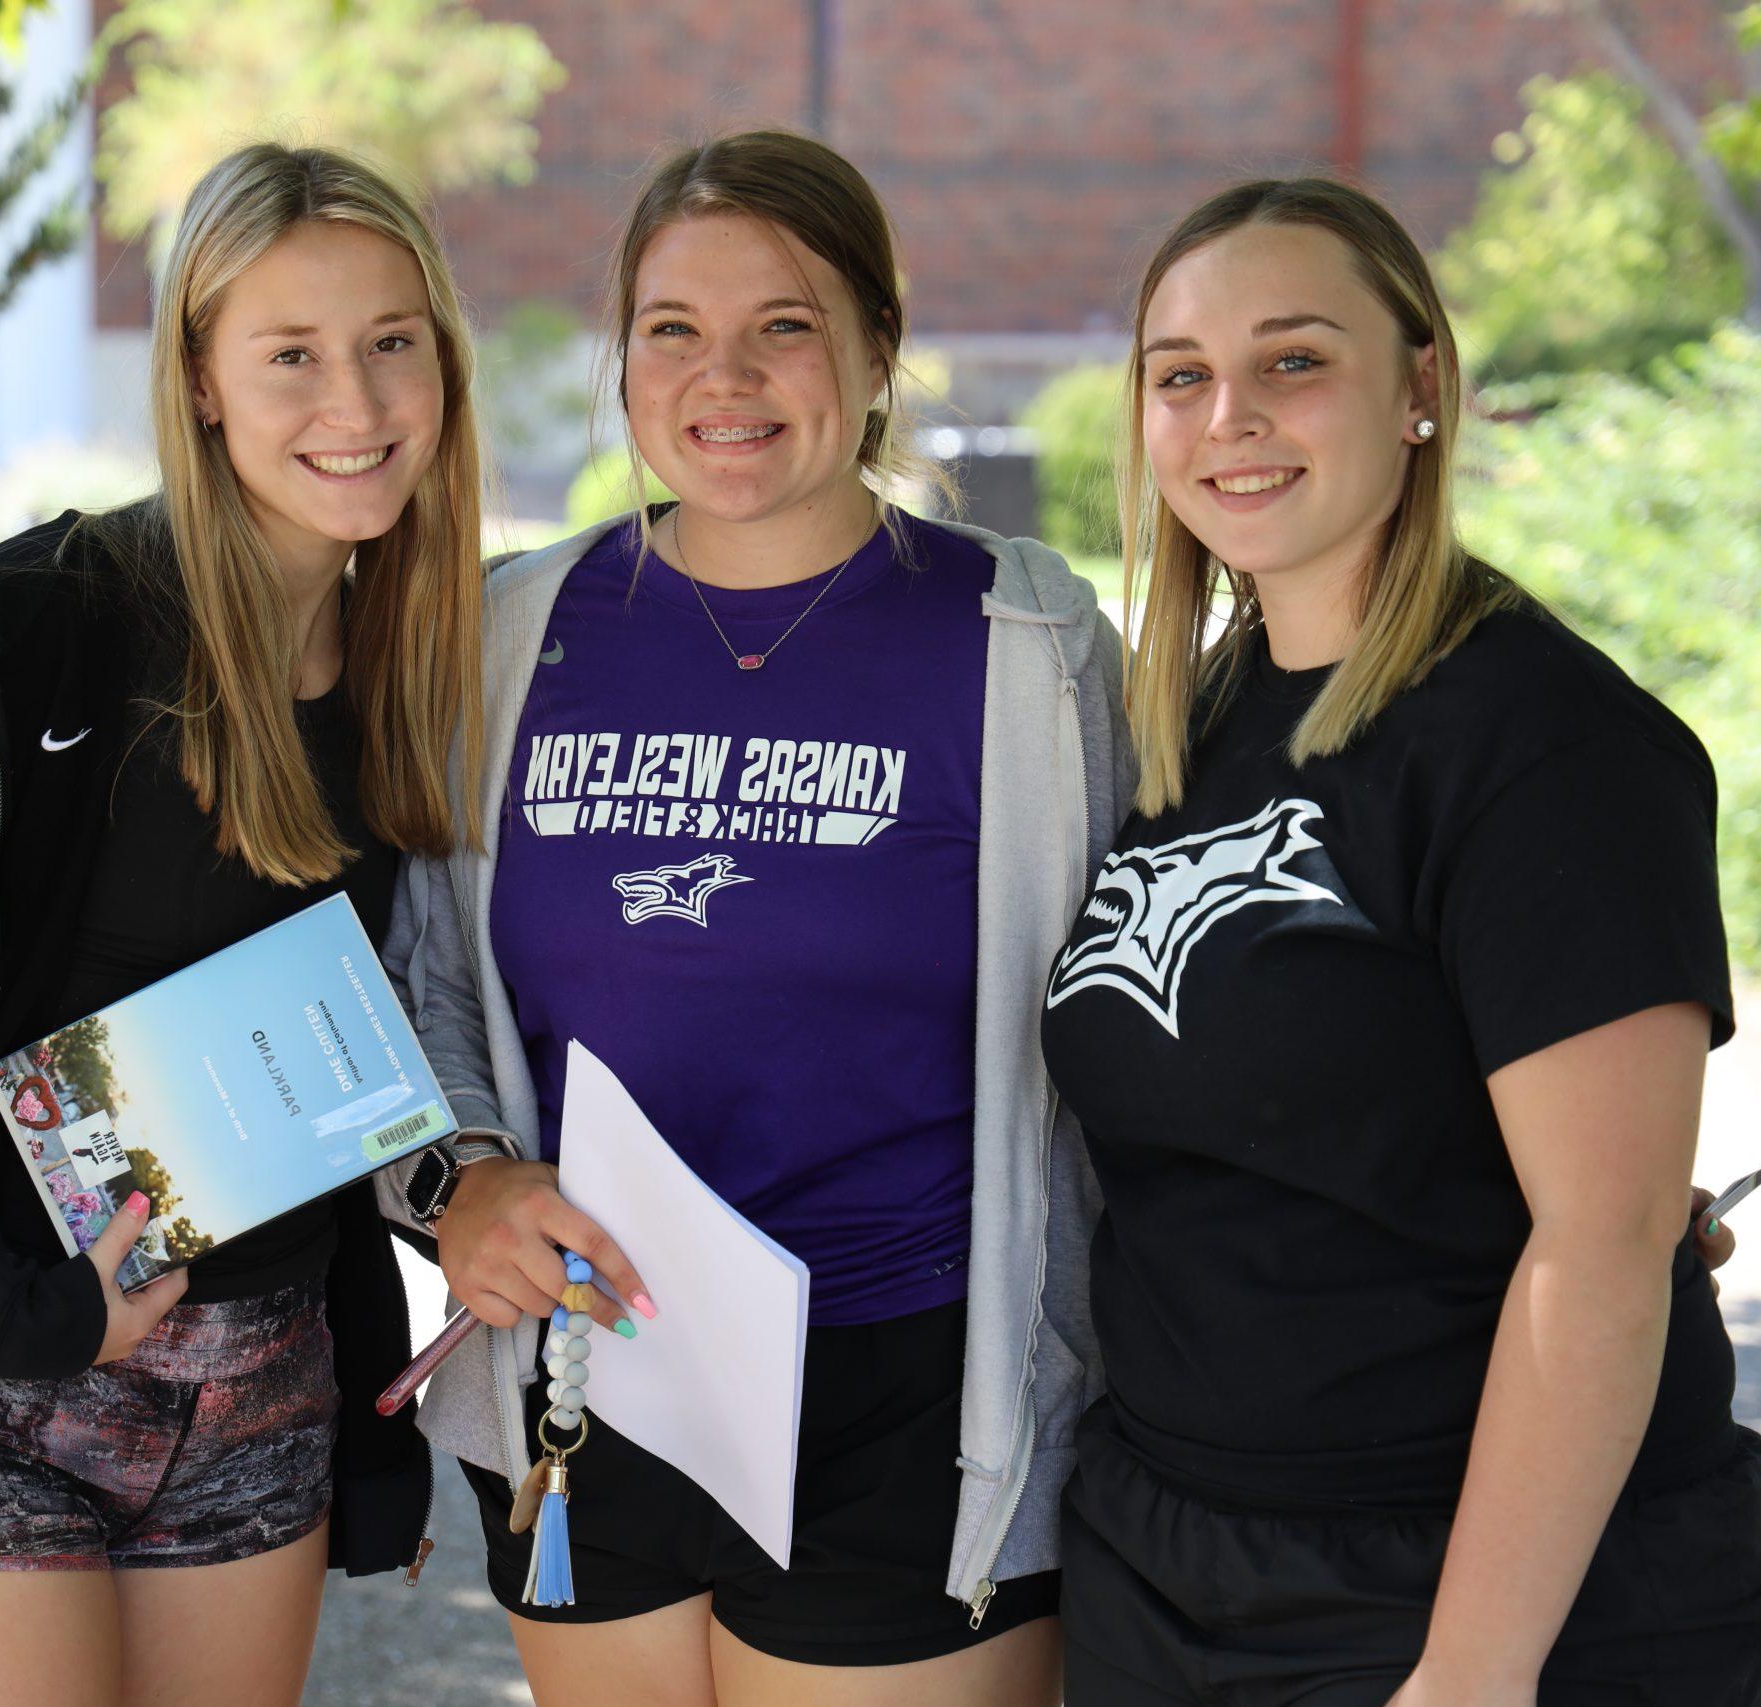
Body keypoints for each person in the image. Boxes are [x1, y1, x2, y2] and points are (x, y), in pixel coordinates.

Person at [0, 142, 486, 1707]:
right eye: (291, 354)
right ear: (200, 378)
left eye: (391, 342)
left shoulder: (431, 674)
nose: (355, 401)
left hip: (255, 1396)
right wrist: (29, 1313)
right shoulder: (29, 641)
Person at [376, 129, 1129, 1706]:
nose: (726, 374)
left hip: (913, 1392)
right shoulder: (513, 635)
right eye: (672, 329)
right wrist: (460, 1188)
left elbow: (1166, 994)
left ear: (875, 350)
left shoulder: (1024, 642)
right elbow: (427, 986)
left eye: (783, 323)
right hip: (596, 1373)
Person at [1038, 177, 1761, 1706]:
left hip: (1482, 1591)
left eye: (1293, 360)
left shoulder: (1545, 745)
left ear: (1422, 389)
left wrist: (1474, 1670)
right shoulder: (1187, 724)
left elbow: (1605, 1247)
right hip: (1171, 1565)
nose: (1229, 414)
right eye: (1180, 375)